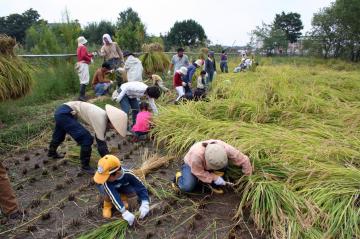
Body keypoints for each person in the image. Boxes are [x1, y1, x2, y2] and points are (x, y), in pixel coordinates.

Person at [47, 102, 127, 174]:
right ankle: (85, 166)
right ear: (112, 122)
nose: (114, 128)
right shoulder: (101, 120)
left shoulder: (103, 115)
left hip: (62, 110)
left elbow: (100, 137)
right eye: (115, 126)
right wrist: (110, 162)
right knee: (87, 139)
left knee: (59, 135)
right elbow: (101, 145)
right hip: (65, 113)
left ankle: (51, 152)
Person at [172, 140, 252, 193]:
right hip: (192, 166)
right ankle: (179, 177)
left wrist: (248, 178)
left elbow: (244, 160)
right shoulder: (196, 155)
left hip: (211, 164)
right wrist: (214, 177)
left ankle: (212, 183)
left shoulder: (225, 148)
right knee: (187, 186)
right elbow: (198, 172)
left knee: (221, 169)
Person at [94, 155, 150, 225]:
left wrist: (145, 202)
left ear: (116, 173)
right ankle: (107, 206)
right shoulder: (106, 182)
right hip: (109, 190)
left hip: (122, 185)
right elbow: (113, 195)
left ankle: (123, 199)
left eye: (106, 177)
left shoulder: (128, 174)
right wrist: (124, 212)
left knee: (133, 191)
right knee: (106, 193)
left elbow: (140, 186)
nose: (104, 179)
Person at [75, 36, 94, 101]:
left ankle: (81, 95)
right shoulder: (83, 47)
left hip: (80, 64)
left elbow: (84, 55)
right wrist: (90, 59)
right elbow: (83, 56)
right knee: (85, 80)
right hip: (83, 64)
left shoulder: (79, 48)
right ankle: (81, 96)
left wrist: (91, 55)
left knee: (82, 80)